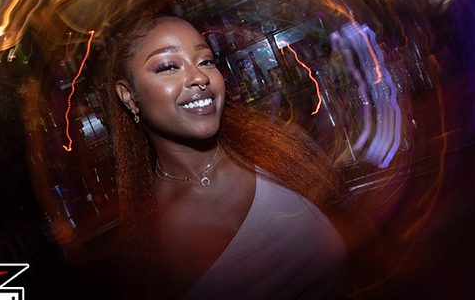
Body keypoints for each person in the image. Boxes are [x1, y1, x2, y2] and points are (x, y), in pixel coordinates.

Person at [107, 15, 347, 299]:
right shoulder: (147, 242)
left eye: (206, 61)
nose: (199, 77)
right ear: (129, 96)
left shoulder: (280, 152)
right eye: (169, 66)